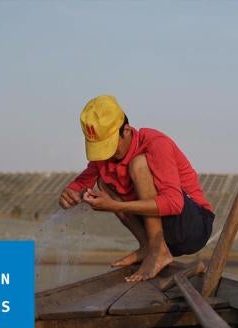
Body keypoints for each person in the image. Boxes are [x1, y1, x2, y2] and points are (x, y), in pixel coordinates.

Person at [59, 95, 215, 282]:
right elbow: (86, 178)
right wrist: (72, 191)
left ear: (125, 130)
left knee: (138, 164)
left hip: (193, 225)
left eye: (110, 146)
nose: (106, 154)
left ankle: (158, 251)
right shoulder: (104, 159)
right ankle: (148, 247)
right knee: (103, 182)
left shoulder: (155, 143)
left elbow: (174, 204)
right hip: (164, 232)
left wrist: (116, 206)